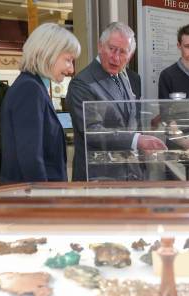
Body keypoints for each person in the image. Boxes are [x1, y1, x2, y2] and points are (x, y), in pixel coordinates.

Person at [66, 22, 166, 181]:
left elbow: (131, 121)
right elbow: (92, 131)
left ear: (130, 55)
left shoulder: (124, 77)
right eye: (111, 49)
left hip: (131, 174)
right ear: (100, 46)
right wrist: (137, 140)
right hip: (99, 179)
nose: (116, 57)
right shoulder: (82, 83)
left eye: (123, 52)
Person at [0, 23, 80, 182]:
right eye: (68, 60)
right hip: (33, 198)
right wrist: (43, 199)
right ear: (49, 53)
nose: (71, 69)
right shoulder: (30, 89)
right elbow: (31, 158)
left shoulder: (32, 85)